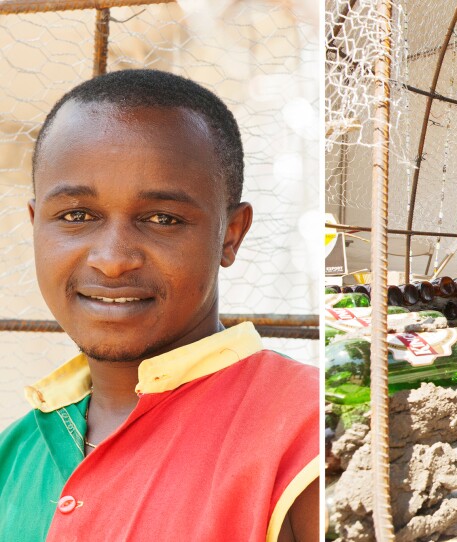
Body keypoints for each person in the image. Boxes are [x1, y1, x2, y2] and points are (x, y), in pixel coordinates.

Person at [0, 69, 319, 541]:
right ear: (35, 225)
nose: (112, 260)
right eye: (76, 216)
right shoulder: (15, 452)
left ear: (230, 235)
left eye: (162, 219)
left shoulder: (304, 432)